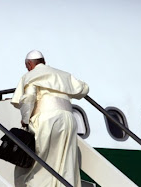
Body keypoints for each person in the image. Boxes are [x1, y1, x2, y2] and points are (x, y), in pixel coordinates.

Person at [11, 50, 89, 187]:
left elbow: (28, 98)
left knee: (39, 162)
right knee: (65, 161)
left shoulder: (31, 75)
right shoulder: (63, 75)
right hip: (68, 120)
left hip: (46, 120)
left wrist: (25, 118)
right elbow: (83, 89)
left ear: (29, 64)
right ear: (44, 61)